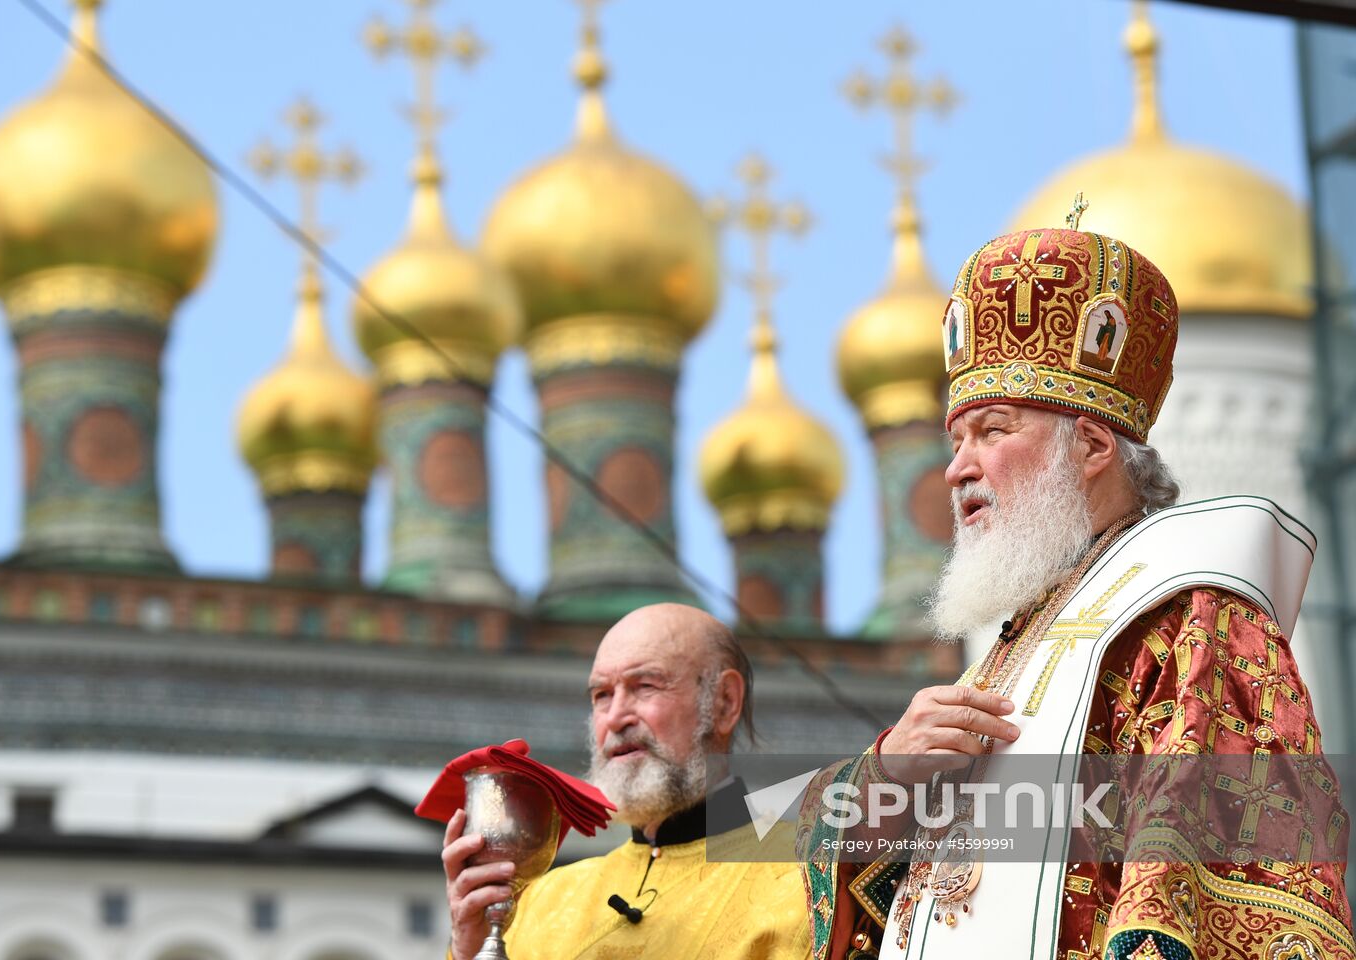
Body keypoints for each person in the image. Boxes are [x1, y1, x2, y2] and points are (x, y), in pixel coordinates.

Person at [801, 225, 1355, 960]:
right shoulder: (1001, 657)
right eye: (954, 439)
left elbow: (1206, 897)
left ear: (1093, 448)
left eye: (992, 431)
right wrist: (885, 781)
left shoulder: (1190, 619)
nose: (956, 469)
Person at [443, 602, 812, 960]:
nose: (616, 717)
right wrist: (469, 949)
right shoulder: (541, 903)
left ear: (724, 702)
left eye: (646, 686)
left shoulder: (811, 881)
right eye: (602, 695)